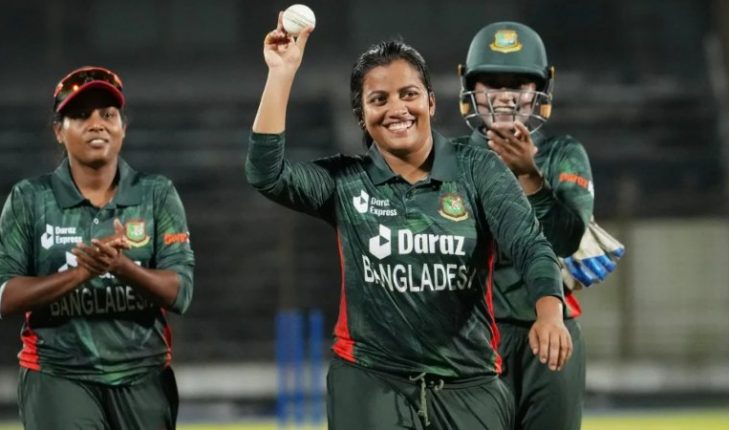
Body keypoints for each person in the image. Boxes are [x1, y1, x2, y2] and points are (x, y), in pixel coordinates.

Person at [246, 13, 572, 429]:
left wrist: (550, 313)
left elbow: (530, 245)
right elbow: (266, 174)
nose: (396, 108)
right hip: (370, 379)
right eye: (379, 99)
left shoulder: (479, 170)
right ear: (362, 115)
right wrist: (281, 73)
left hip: (467, 381)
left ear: (431, 102)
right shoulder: (345, 180)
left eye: (409, 94)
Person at [0, 66, 195, 430]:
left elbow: (180, 293)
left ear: (123, 127)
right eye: (80, 115)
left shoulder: (157, 194)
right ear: (59, 131)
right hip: (58, 372)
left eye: (108, 115)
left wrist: (122, 267)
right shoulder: (30, 198)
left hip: (143, 374)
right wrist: (82, 273)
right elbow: (6, 296)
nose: (96, 124)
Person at [455, 21, 621, 430]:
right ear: (470, 88)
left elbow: (567, 238)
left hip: (548, 331)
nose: (505, 96)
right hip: (470, 339)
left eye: (519, 84)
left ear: (540, 90)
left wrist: (530, 177)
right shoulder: (448, 159)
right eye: (492, 84)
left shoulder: (562, 154)